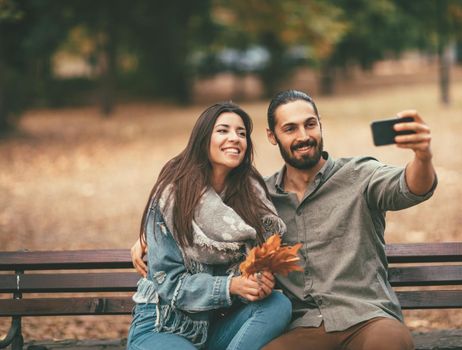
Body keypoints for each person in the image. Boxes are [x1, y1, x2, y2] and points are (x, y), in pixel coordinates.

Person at [132, 90, 437, 350]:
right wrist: (146, 239)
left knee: (390, 342)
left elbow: (410, 188)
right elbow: (195, 213)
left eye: (310, 125)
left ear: (320, 126)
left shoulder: (359, 176)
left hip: (365, 316)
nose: (303, 136)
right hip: (304, 325)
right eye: (290, 128)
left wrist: (422, 157)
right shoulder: (257, 199)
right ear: (272, 136)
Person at [127, 102, 291, 350]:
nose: (234, 138)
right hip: (162, 325)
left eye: (242, 133)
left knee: (278, 305)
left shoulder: (252, 196)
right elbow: (169, 282)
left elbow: (259, 259)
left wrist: (259, 281)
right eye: (223, 130)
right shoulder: (173, 195)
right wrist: (231, 286)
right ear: (203, 139)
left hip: (216, 329)